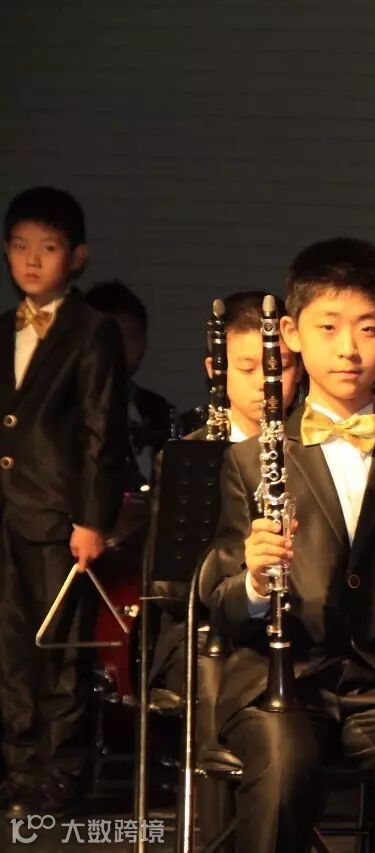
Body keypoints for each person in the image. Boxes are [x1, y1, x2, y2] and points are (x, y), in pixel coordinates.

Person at [200, 239, 375, 852]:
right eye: (328, 327)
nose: (348, 348)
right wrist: (255, 581)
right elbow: (220, 600)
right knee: (282, 769)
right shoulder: (248, 459)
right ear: (291, 334)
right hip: (278, 680)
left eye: (367, 328)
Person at [0, 186, 129, 815]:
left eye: (47, 248)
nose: (31, 260)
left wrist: (92, 519)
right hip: (6, 513)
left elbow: (105, 431)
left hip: (58, 516)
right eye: (20, 246)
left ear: (75, 257)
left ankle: (60, 773)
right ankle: (19, 770)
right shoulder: (4, 328)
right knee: (11, 648)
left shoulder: (92, 330)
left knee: (59, 649)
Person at [148, 290, 302, 694]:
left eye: (280, 366)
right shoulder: (189, 457)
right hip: (202, 634)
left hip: (297, 632)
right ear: (216, 369)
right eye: (246, 368)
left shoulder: (313, 451)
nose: (264, 384)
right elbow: (169, 590)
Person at [85, 279, 174, 486]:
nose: (123, 348)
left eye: (133, 337)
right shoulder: (67, 407)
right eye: (114, 337)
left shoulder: (156, 409)